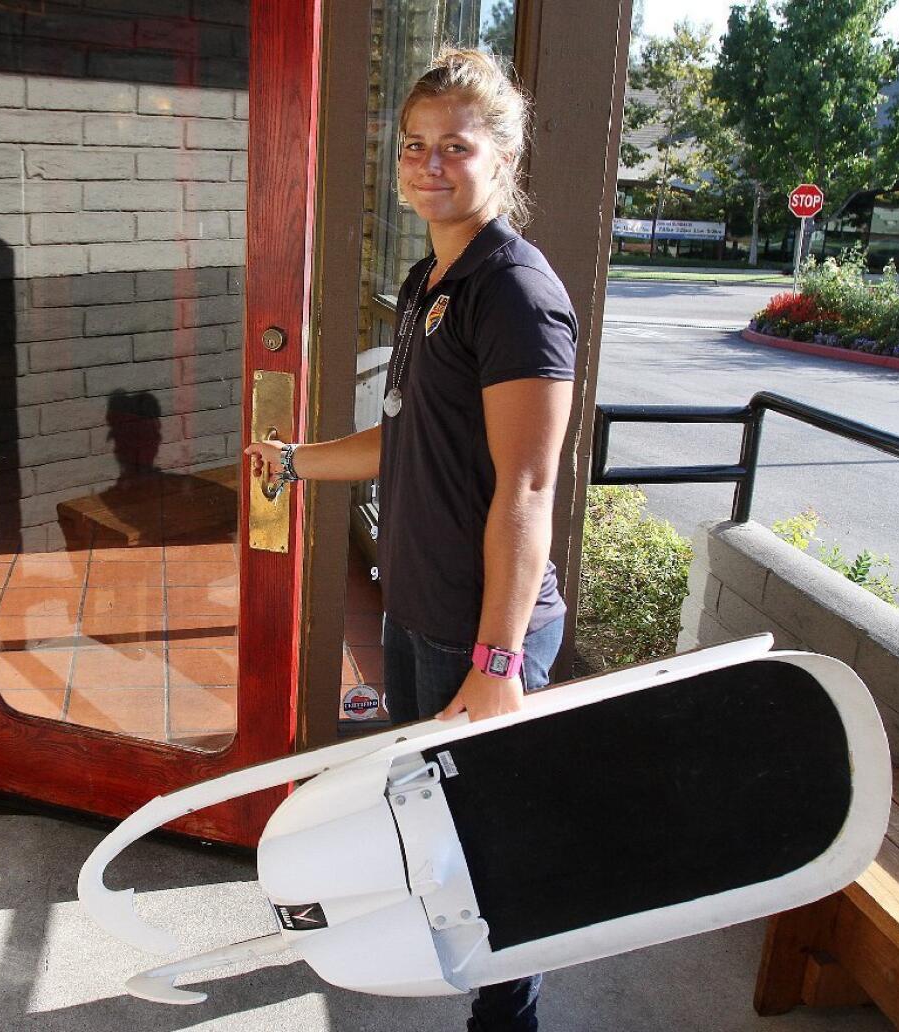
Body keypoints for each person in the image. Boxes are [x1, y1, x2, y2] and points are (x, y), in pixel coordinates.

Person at [246, 45, 577, 1032]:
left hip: (479, 632)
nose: (430, 164)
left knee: (487, 846)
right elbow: (409, 437)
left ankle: (504, 1022)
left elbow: (527, 483)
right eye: (414, 146)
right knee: (438, 829)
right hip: (420, 611)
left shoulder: (513, 292)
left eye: (456, 147)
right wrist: (297, 463)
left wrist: (499, 659)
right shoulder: (432, 276)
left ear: (502, 159)